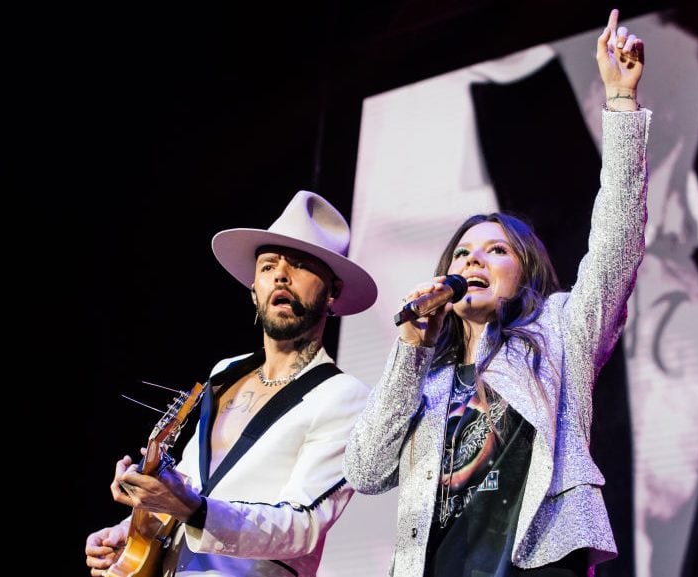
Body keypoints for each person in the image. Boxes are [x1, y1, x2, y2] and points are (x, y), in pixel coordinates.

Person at [343, 9, 651, 577]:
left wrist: (622, 105)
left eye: (496, 251)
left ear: (525, 273)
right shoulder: (428, 379)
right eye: (462, 253)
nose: (473, 260)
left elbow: (617, 243)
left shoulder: (561, 331)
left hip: (537, 563)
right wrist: (409, 348)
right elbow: (365, 471)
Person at [84, 189, 378, 577]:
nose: (281, 276)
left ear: (333, 292)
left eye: (301, 265)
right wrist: (133, 529)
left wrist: (192, 508)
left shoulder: (346, 398)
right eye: (269, 265)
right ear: (254, 288)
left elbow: (303, 526)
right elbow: (197, 483)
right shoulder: (227, 372)